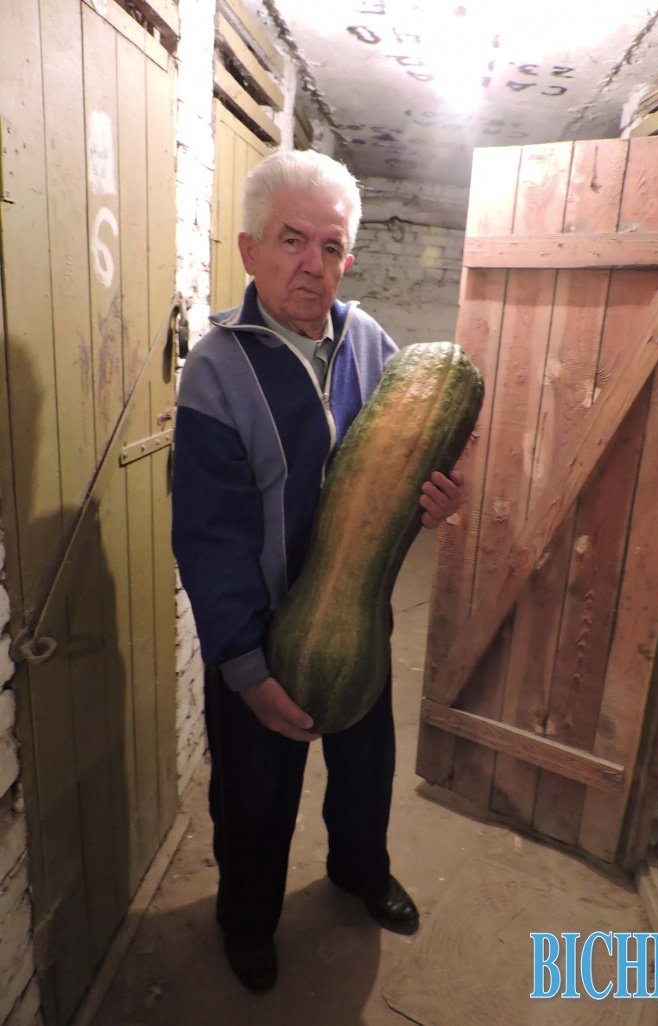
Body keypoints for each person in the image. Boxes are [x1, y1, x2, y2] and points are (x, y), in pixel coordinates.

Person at [171, 149, 462, 993]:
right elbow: (208, 536)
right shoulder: (216, 369)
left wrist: (435, 499)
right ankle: (246, 921)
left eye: (331, 246)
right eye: (291, 240)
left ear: (348, 257)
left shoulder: (370, 343)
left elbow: (408, 456)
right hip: (260, 634)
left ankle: (359, 871)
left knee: (367, 773)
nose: (312, 264)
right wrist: (244, 666)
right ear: (249, 249)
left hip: (357, 617)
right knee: (254, 802)